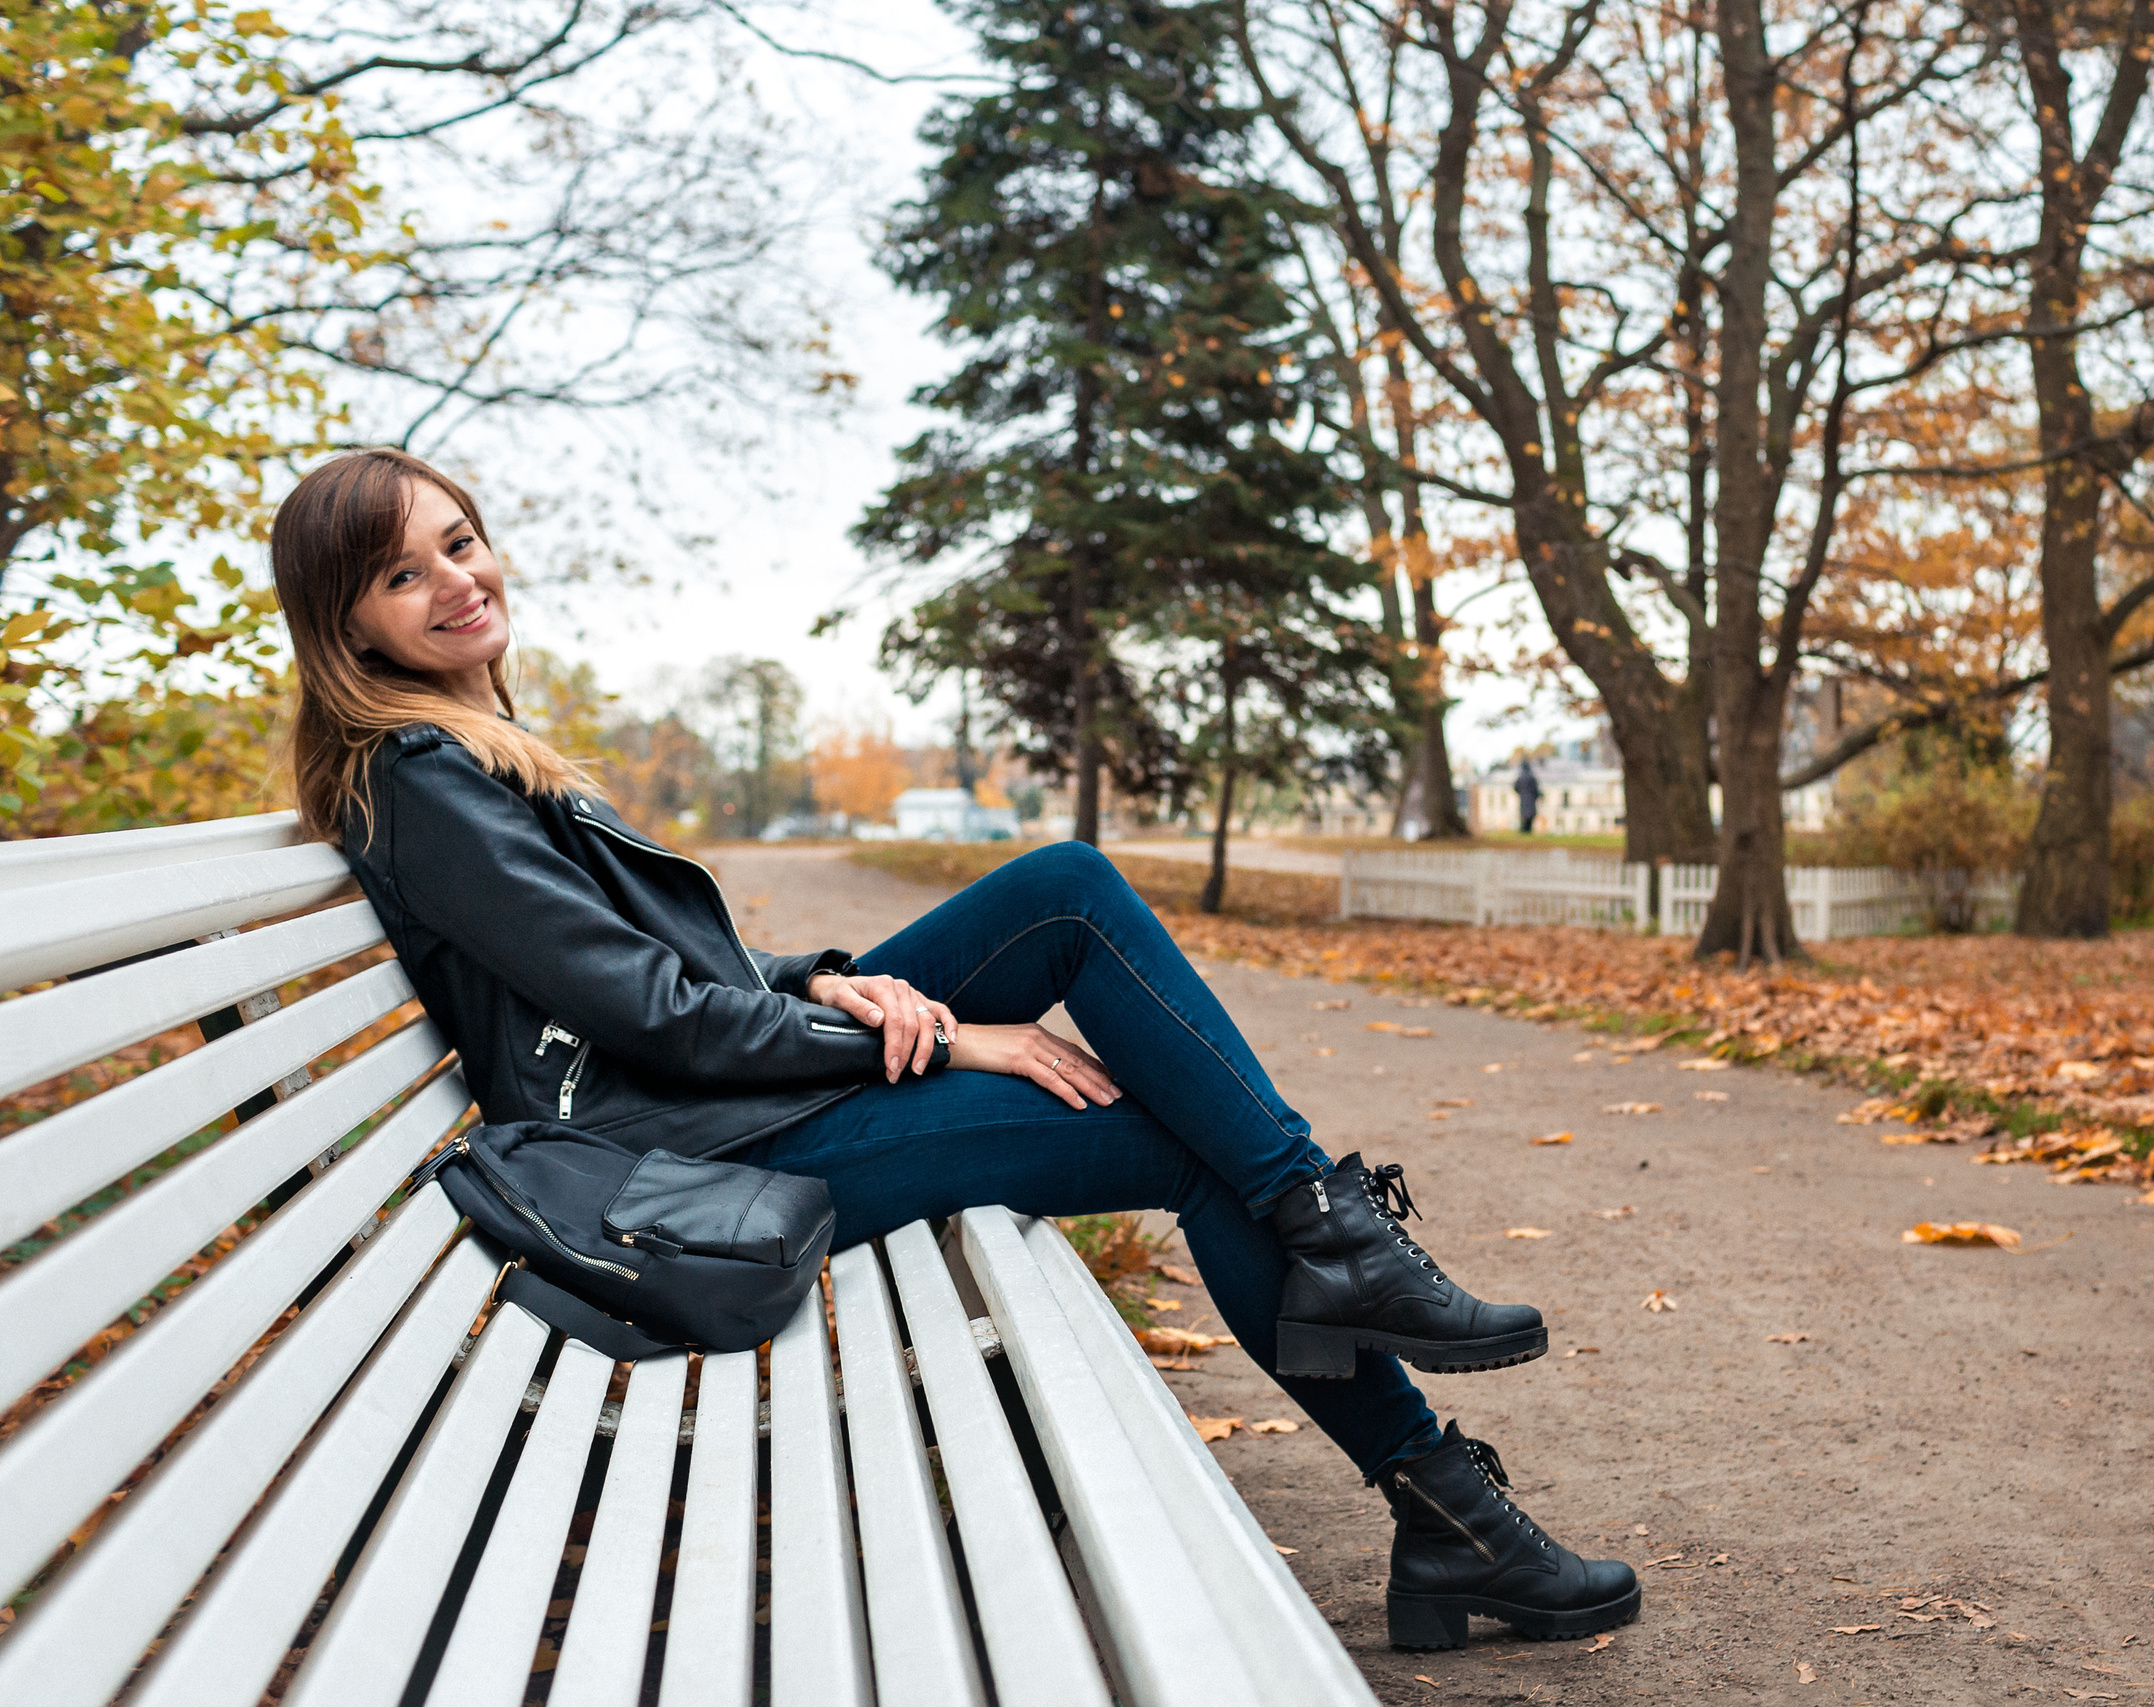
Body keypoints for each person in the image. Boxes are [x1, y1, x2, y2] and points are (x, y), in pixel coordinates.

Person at [269, 448, 1639, 1653]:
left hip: (706, 1099)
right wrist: (927, 1039)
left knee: (1064, 888)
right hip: (691, 1152)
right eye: (403, 574)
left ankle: (1337, 1247)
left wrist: (826, 977)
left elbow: (664, 972)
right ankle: (1426, 1463)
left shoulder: (468, 746)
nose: (454, 579)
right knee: (1189, 1139)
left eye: (459, 540)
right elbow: (657, 1020)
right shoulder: (426, 779)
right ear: (352, 627)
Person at [1513, 757, 1543, 835]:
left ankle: (1524, 830)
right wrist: (1537, 795)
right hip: (1531, 798)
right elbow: (1536, 788)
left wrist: (1521, 793)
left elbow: (1515, 787)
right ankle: (1527, 830)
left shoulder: (1520, 777)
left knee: (1524, 815)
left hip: (1523, 798)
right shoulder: (1531, 777)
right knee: (1530, 815)